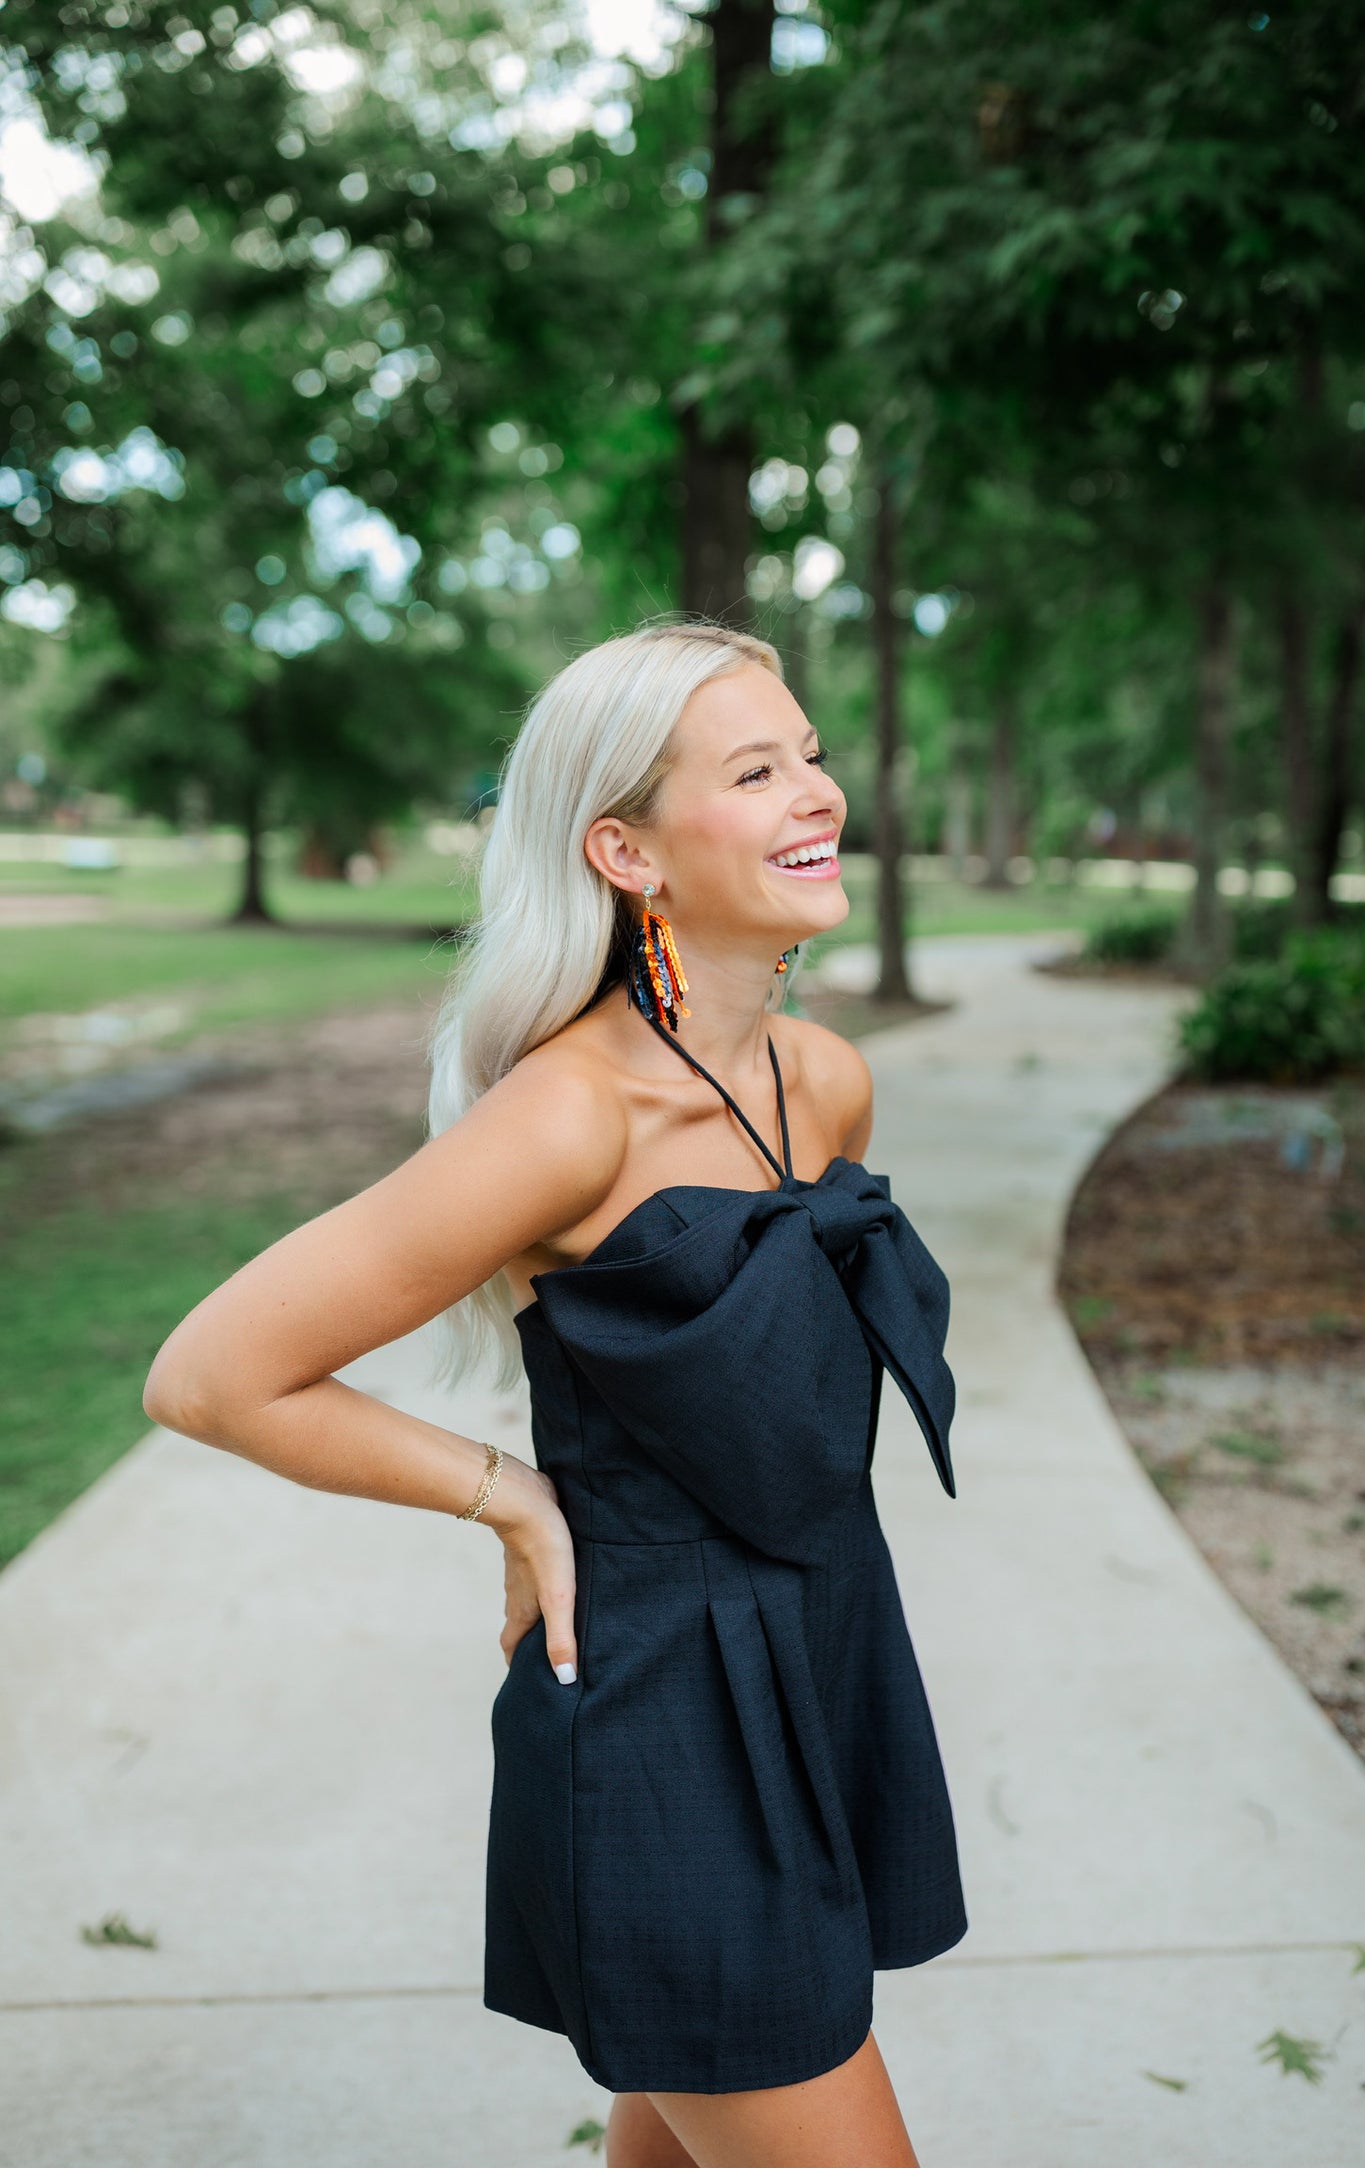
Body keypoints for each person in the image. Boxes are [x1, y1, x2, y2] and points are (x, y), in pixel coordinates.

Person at [143, 619, 967, 2167]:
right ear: (625, 850)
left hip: (820, 1649)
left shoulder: (831, 1080)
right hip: (659, 1704)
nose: (816, 793)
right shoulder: (567, 1118)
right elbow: (212, 1374)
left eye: (809, 755)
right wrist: (507, 1497)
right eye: (752, 769)